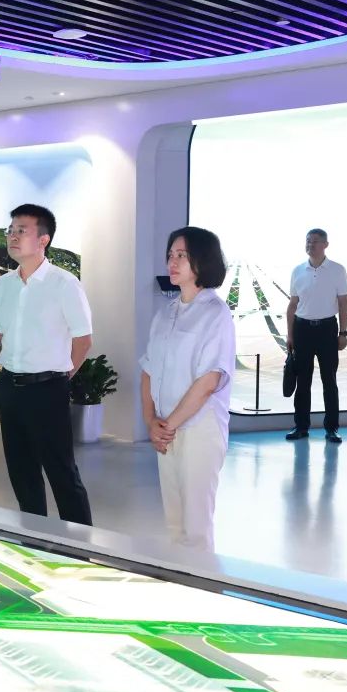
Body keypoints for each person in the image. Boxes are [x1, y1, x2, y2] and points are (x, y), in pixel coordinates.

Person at [0, 203, 93, 525]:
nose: (12, 236)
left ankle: (79, 545)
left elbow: (83, 340)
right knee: (20, 469)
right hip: (9, 386)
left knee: (61, 471)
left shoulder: (64, 284)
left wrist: (59, 374)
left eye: (21, 230)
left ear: (43, 239)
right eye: (10, 230)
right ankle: (34, 537)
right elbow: (1, 334)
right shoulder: (4, 284)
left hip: (47, 388)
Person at [139, 226, 235, 550]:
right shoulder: (165, 313)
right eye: (170, 254)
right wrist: (151, 422)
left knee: (196, 526)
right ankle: (179, 577)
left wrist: (167, 426)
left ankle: (202, 579)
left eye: (182, 255)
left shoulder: (215, 314)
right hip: (167, 428)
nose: (172, 261)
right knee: (175, 523)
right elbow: (148, 370)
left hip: (199, 429)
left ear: (202, 260)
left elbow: (209, 381)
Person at [285, 228, 347, 443]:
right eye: (308, 241)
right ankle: (301, 426)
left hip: (327, 330)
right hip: (302, 330)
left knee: (329, 380)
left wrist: (343, 333)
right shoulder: (297, 271)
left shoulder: (337, 270)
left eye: (315, 241)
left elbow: (343, 304)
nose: (310, 245)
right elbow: (292, 305)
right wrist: (290, 335)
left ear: (325, 244)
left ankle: (332, 428)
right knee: (302, 381)